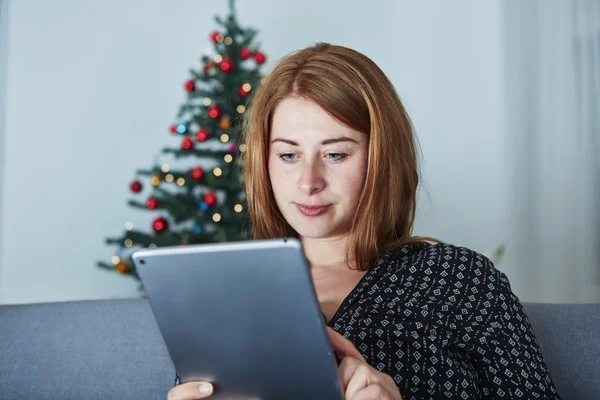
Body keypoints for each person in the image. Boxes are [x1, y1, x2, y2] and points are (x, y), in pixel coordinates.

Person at [168, 42, 560, 400]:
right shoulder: (229, 290)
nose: (308, 182)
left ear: (381, 158)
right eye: (288, 155)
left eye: (335, 154)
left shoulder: (459, 279)